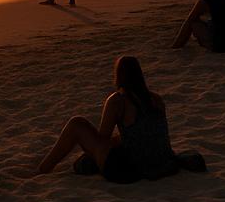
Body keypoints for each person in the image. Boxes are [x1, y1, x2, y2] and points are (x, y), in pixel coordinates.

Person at [37, 56, 177, 182]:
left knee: (76, 123)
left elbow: (103, 138)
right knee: (114, 141)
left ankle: (42, 170)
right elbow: (143, 134)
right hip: (163, 162)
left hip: (132, 169)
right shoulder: (156, 99)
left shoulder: (118, 100)